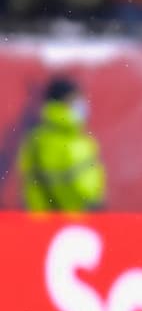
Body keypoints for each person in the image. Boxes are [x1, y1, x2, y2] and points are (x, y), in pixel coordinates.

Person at [18, 77, 106, 213]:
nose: (81, 105)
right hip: (58, 224)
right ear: (63, 102)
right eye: (75, 100)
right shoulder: (45, 140)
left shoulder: (77, 135)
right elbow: (54, 186)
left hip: (77, 223)